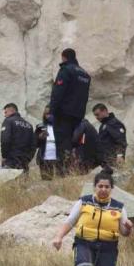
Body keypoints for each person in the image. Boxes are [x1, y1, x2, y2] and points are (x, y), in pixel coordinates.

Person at [52, 170, 133, 266]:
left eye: (107, 187)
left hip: (108, 247)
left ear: (112, 188)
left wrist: (128, 228)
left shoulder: (119, 207)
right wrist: (59, 237)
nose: (103, 189)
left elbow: (124, 233)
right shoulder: (84, 202)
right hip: (84, 243)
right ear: (94, 187)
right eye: (100, 186)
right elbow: (70, 222)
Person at [48, 48, 91, 176]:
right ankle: (71, 169)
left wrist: (52, 111)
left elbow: (58, 92)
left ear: (64, 57)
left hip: (63, 113)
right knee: (72, 142)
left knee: (62, 142)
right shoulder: (85, 74)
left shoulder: (66, 70)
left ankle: (63, 172)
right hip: (77, 115)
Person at [0, 103, 36, 171]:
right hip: (24, 161)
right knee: (23, 181)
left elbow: (5, 140)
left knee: (10, 181)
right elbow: (33, 144)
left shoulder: (8, 121)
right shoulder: (29, 125)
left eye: (6, 112)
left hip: (11, 160)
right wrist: (28, 158)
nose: (5, 115)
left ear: (12, 111)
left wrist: (4, 156)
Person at [93, 103, 128, 168]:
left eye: (97, 114)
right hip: (106, 160)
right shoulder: (104, 125)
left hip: (114, 160)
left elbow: (120, 140)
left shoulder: (114, 123)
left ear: (105, 111)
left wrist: (120, 155)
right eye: (95, 115)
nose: (96, 117)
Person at [35, 106, 59, 180]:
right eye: (46, 114)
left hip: (59, 157)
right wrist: (40, 137)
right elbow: (35, 143)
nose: (48, 116)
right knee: (46, 180)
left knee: (60, 181)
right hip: (45, 157)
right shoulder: (40, 127)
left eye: (51, 114)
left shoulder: (61, 127)